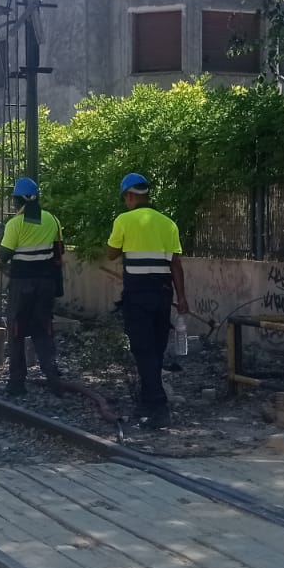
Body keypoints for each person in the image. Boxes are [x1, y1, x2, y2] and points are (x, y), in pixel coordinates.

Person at [105, 173, 187, 429]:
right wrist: (183, 298)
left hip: (137, 295)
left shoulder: (124, 220)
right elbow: (176, 264)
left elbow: (110, 253)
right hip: (163, 294)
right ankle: (147, 401)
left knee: (142, 349)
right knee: (156, 348)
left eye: (125, 199)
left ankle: (159, 406)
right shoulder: (168, 224)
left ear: (130, 196)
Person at [0, 176, 65, 398]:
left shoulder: (15, 224)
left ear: (19, 201)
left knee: (16, 331)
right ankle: (54, 379)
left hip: (21, 285)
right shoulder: (53, 220)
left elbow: (4, 255)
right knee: (43, 329)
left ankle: (17, 383)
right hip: (45, 285)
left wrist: (3, 236)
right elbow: (59, 252)